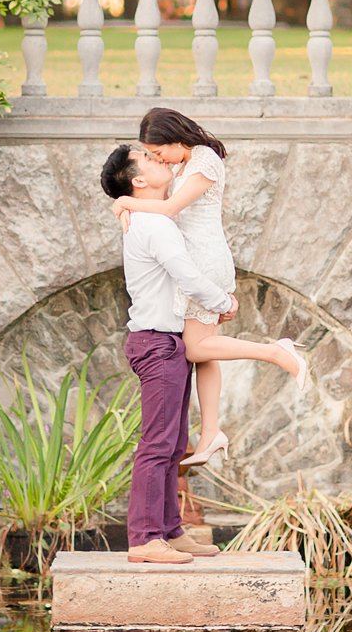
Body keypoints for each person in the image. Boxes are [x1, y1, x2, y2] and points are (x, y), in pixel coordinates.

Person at [109, 108, 307, 470]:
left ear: (175, 137)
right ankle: (211, 431)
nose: (157, 158)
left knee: (196, 347)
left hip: (206, 264)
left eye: (158, 151)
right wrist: (127, 200)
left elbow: (167, 208)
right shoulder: (183, 165)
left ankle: (277, 352)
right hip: (196, 260)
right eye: (151, 155)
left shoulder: (205, 161)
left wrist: (123, 201)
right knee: (204, 353)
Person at [100, 143, 235, 565]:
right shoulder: (152, 226)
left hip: (168, 341)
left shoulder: (153, 217)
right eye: (148, 159)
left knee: (174, 442)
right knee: (157, 443)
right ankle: (144, 538)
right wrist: (223, 302)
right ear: (138, 180)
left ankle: (170, 531)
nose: (159, 159)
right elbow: (186, 275)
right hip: (156, 342)